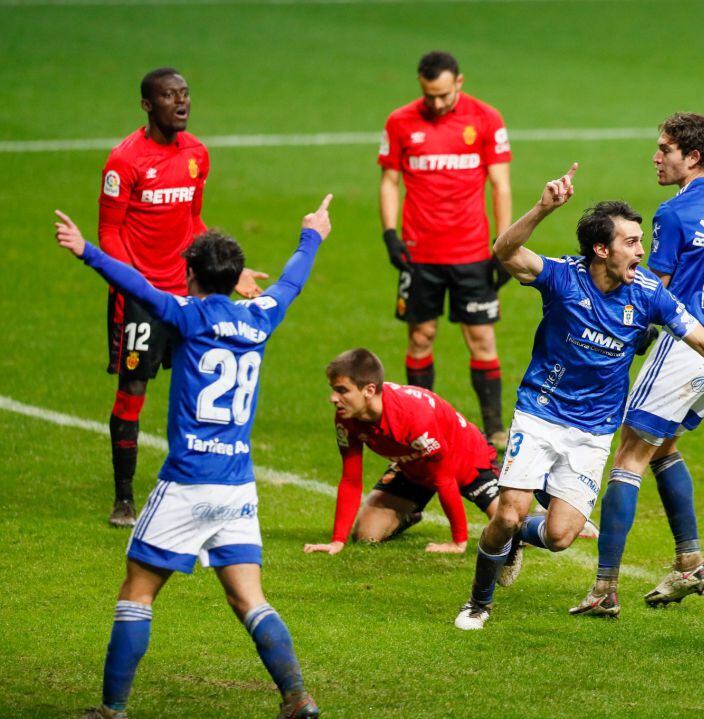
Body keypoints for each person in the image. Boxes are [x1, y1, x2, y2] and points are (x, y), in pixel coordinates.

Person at [453, 164, 704, 630]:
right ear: (601, 249)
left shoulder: (648, 293)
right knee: (510, 511)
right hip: (541, 412)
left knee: (561, 535)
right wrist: (543, 208)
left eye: (641, 242)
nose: (642, 252)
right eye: (631, 243)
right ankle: (478, 603)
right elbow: (504, 251)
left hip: (594, 430)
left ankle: (519, 540)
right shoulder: (563, 277)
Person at [57, 195, 333, 719]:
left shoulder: (185, 314)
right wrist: (311, 234)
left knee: (137, 590)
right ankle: (297, 697)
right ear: (235, 278)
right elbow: (291, 282)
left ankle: (112, 711)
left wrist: (85, 250)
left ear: (190, 275)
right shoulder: (260, 317)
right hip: (237, 486)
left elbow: (136, 287)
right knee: (249, 599)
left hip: (186, 483)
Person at [576, 113, 704, 614]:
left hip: (692, 343)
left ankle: (603, 590)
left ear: (692, 156)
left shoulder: (675, 212)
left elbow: (655, 289)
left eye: (664, 148)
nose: (656, 157)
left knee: (628, 456)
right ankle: (689, 563)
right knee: (663, 444)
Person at [99, 67, 265, 527]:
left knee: (195, 386)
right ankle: (124, 499)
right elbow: (109, 233)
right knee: (133, 391)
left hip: (188, 296)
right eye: (170, 96)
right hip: (141, 299)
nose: (182, 103)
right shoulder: (124, 161)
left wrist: (229, 272)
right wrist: (137, 285)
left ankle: (188, 483)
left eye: (186, 94)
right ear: (148, 105)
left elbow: (194, 221)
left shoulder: (197, 155)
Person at [378, 50, 513, 448]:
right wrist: (390, 233)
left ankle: (494, 428)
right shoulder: (400, 121)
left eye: (443, 95)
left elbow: (500, 184)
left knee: (483, 341)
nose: (436, 104)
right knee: (420, 337)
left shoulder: (486, 119)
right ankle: (418, 425)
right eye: (428, 95)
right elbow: (390, 181)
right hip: (420, 255)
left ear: (459, 82)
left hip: (472, 253)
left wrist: (503, 245)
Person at [302, 348, 501, 556]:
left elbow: (444, 478)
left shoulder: (412, 416)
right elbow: (351, 479)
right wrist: (337, 541)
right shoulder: (346, 417)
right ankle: (410, 512)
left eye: (342, 390)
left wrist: (458, 541)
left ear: (369, 390)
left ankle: (531, 512)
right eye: (333, 389)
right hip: (414, 467)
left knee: (511, 525)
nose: (333, 398)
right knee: (366, 535)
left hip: (466, 458)